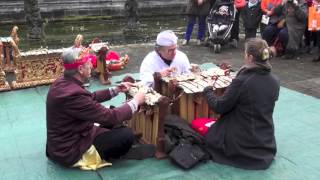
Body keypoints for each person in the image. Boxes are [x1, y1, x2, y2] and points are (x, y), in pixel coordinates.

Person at [46, 48, 145, 170]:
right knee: (126, 135)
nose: (92, 67)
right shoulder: (72, 94)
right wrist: (136, 101)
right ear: (80, 69)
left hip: (66, 140)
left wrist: (116, 89)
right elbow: (110, 117)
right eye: (88, 64)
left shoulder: (62, 82)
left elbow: (90, 98)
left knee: (113, 111)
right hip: (70, 150)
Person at [203, 37, 280, 170]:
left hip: (243, 143)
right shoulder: (275, 80)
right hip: (265, 140)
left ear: (250, 57)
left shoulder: (243, 81)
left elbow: (219, 107)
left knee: (209, 137)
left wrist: (208, 90)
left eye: (245, 54)